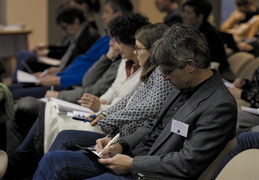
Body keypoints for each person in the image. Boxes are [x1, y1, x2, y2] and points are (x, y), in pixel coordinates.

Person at [32, 23, 237, 180]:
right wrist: (121, 145)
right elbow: (152, 125)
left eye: (167, 72)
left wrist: (133, 164)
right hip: (134, 158)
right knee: (53, 160)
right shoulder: (183, 83)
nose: (164, 78)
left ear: (190, 65)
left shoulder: (219, 105)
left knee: (60, 166)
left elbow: (187, 163)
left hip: (150, 173)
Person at [6, 0, 134, 165]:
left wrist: (100, 107)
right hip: (95, 107)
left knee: (36, 109)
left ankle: (16, 161)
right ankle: (17, 160)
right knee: (20, 104)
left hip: (98, 113)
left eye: (115, 40)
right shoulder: (123, 61)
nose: (111, 44)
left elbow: (122, 103)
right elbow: (101, 85)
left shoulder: (131, 66)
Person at [12, 3, 100, 82]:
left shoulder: (88, 37)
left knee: (18, 87)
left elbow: (80, 68)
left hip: (65, 79)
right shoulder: (81, 34)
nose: (64, 32)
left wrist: (58, 73)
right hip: (62, 73)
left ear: (76, 21)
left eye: (65, 27)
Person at [182, 0, 235, 81]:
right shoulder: (196, 30)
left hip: (218, 75)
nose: (183, 16)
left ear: (200, 17)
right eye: (184, 12)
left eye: (188, 13)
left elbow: (208, 64)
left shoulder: (208, 34)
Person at [228, 67, 259, 135]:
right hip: (253, 107)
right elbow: (256, 85)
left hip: (255, 108)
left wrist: (243, 94)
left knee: (231, 119)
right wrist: (245, 83)